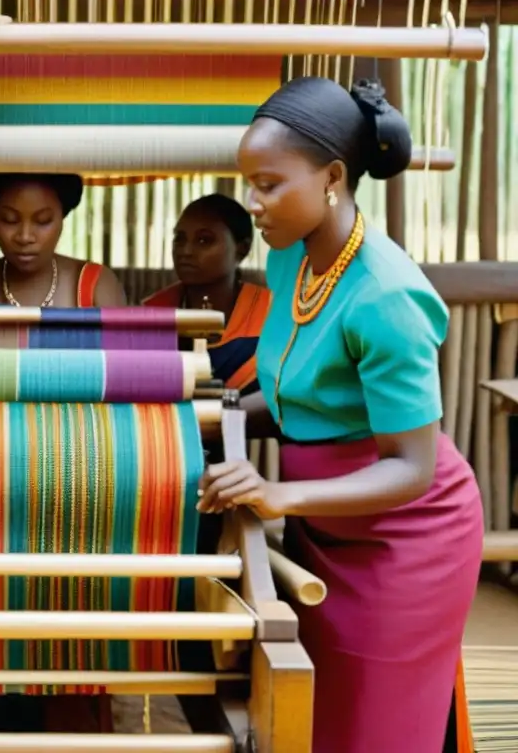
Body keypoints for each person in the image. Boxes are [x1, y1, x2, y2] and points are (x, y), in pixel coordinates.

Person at [198, 76, 483, 753]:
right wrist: (219, 415)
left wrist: (278, 492)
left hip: (405, 539)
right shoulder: (294, 255)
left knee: (372, 730)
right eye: (249, 182)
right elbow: (304, 396)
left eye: (268, 184)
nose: (253, 202)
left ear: (331, 177)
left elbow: (411, 467)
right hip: (328, 527)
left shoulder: (386, 297)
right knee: (315, 720)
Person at [143, 193, 271, 394]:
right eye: (180, 239)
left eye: (204, 240)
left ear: (242, 249)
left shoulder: (271, 314)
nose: (186, 251)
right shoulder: (151, 315)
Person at [0, 173, 127, 307]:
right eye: (9, 219)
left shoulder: (95, 287)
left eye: (43, 220)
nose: (25, 237)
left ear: (62, 217)